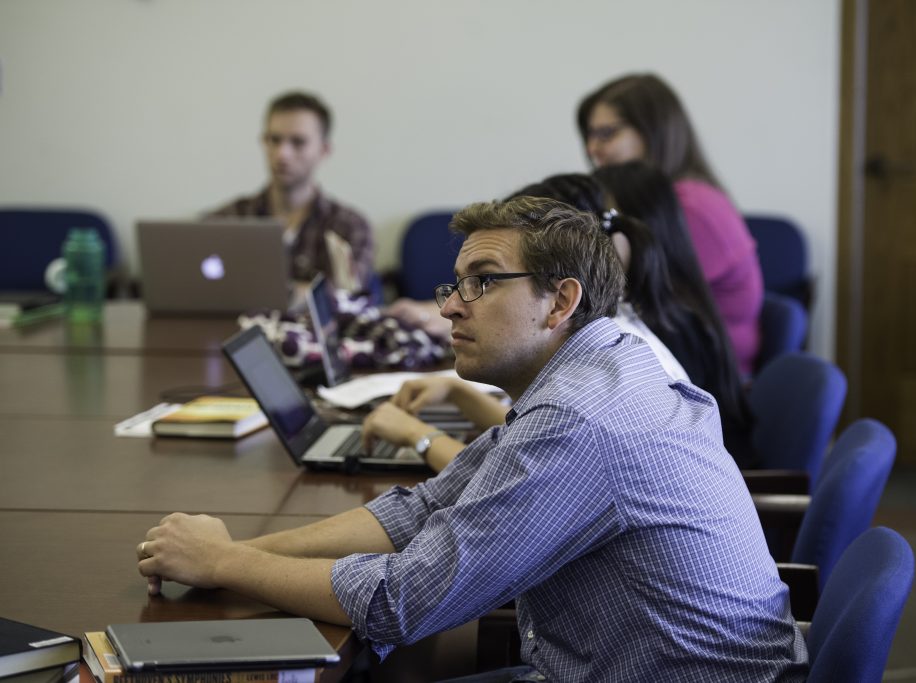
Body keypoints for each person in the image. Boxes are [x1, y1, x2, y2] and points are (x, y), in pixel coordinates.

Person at [136, 197, 807, 682]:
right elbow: (422, 508)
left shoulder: (581, 417)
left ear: (559, 300)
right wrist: (233, 548)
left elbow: (407, 601)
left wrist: (226, 567)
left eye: (481, 282)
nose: (450, 305)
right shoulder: (595, 368)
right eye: (454, 284)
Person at [577, 73, 764, 375]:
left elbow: (637, 300)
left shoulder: (691, 207)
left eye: (607, 133)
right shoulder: (673, 197)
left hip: (703, 374)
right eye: (590, 135)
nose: (592, 149)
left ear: (653, 133)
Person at [593, 162, 756, 466]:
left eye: (603, 226)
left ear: (642, 227)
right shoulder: (662, 304)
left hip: (714, 481)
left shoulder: (668, 326)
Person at [207, 91, 376, 294]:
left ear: (324, 150)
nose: (282, 154)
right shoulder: (227, 220)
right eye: (274, 140)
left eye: (298, 142)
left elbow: (346, 300)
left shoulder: (349, 227)